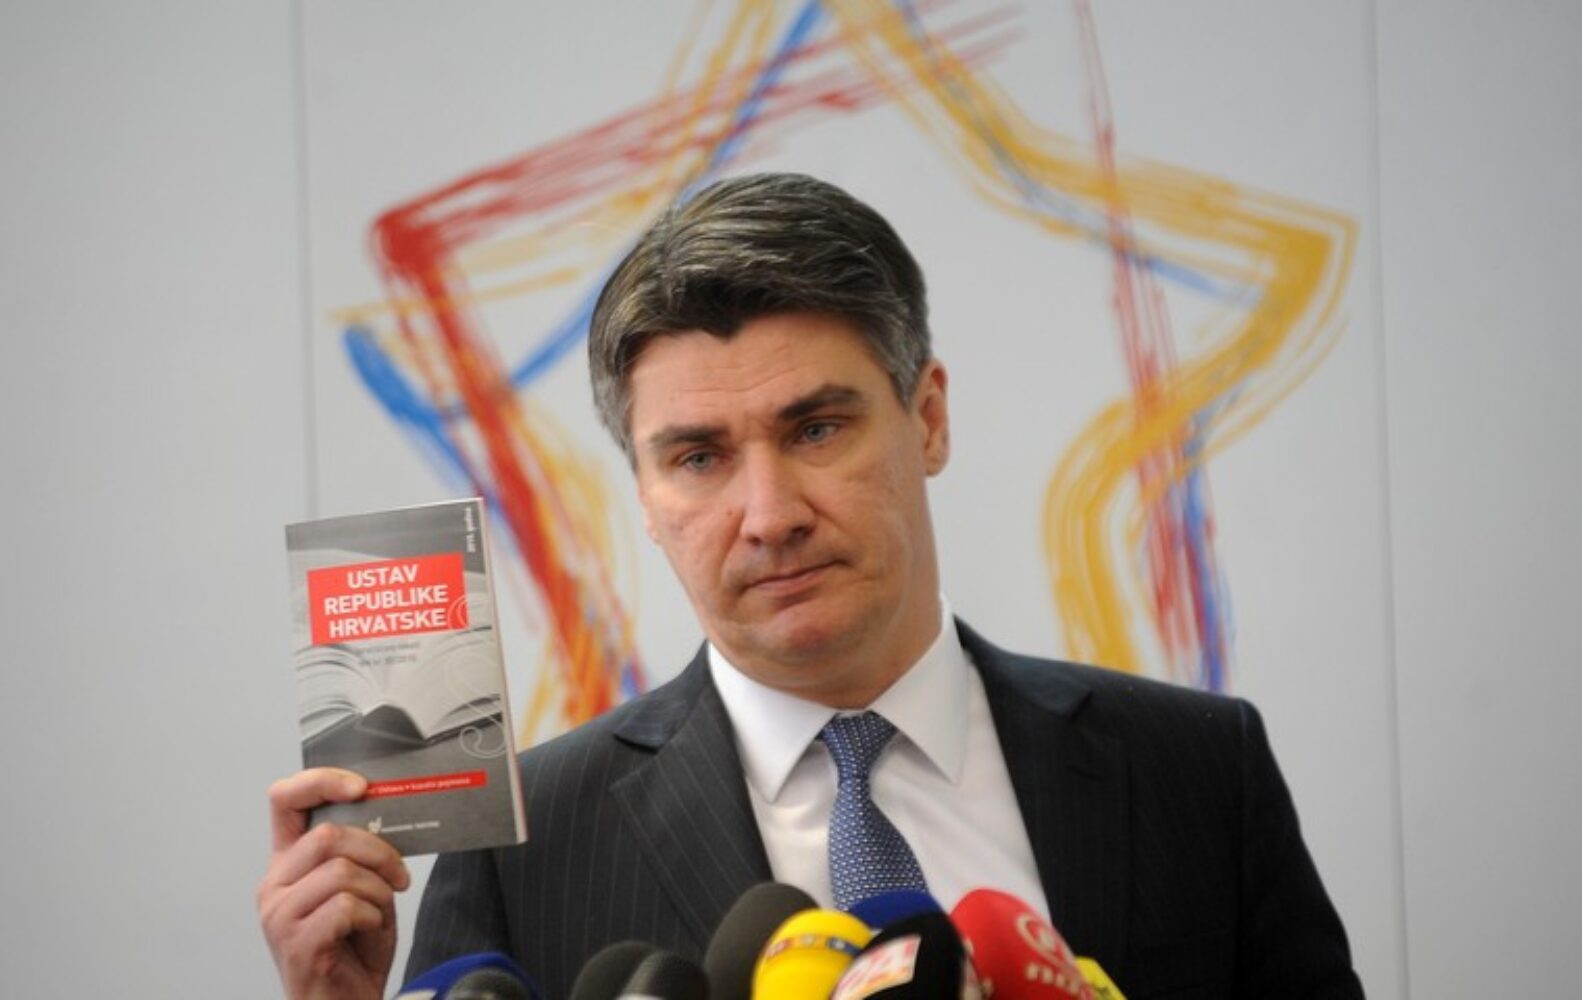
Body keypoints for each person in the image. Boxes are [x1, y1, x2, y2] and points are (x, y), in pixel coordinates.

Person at [259, 172, 1362, 998]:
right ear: (643, 493)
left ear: (928, 418)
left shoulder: (1196, 770)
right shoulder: (522, 843)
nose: (769, 513)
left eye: (817, 429)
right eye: (699, 457)